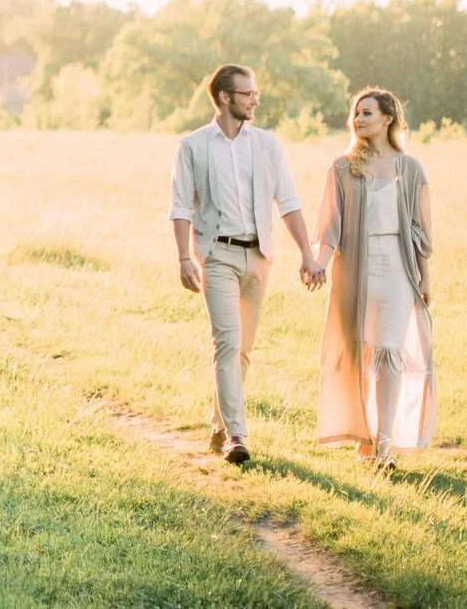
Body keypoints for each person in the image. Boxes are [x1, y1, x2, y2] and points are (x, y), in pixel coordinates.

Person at [170, 65, 325, 465]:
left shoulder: (267, 145)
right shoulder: (193, 146)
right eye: (247, 93)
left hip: (259, 255)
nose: (255, 99)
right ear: (224, 97)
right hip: (216, 254)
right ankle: (237, 436)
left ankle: (220, 424)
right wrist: (185, 257)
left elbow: (288, 202)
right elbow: (181, 205)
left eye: (256, 92)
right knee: (227, 340)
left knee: (244, 349)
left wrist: (307, 254)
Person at [315, 87, 436, 470]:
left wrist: (424, 277)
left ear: (388, 118)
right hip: (355, 268)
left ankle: (385, 442)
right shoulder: (342, 168)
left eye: (367, 112)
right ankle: (364, 434)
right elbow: (329, 227)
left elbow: (419, 232)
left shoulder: (410, 168)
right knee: (360, 353)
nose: (359, 119)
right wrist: (317, 264)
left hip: (397, 271)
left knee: (389, 353)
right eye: (356, 113)